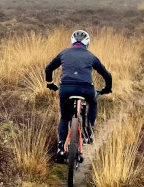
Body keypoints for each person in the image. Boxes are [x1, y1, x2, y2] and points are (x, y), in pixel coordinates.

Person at [44, 30, 112, 164]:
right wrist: (107, 89)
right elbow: (107, 75)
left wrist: (50, 84)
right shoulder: (91, 56)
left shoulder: (64, 53)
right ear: (87, 43)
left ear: (72, 42)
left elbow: (48, 69)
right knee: (93, 102)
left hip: (66, 88)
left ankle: (61, 148)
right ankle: (89, 131)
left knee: (64, 117)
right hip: (86, 88)